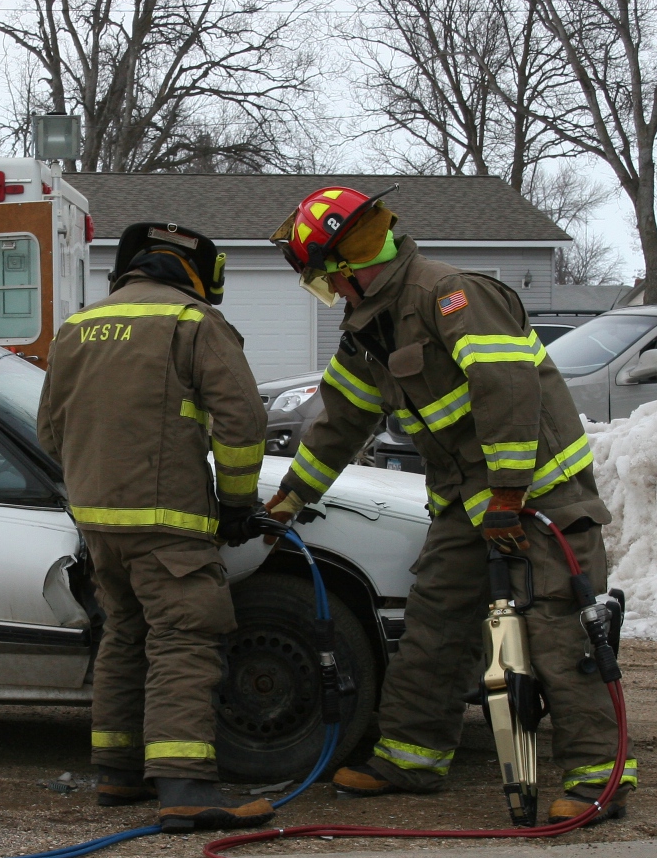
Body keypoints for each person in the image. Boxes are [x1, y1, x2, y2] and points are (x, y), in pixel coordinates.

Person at [264, 186, 636, 824]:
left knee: (556, 629)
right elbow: (342, 420)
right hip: (471, 503)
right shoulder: (370, 330)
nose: (333, 294)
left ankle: (601, 778)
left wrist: (511, 494)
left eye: (328, 280)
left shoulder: (450, 295)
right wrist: (291, 497)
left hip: (542, 495)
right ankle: (410, 756)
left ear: (349, 268)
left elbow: (508, 390)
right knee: (436, 621)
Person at [36, 222, 277, 832]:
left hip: (97, 522)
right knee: (185, 639)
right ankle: (186, 786)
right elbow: (243, 422)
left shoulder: (79, 326)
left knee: (126, 634)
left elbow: (49, 429)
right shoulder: (195, 323)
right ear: (197, 275)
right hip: (168, 523)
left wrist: (91, 490)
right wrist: (239, 504)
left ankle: (117, 771)